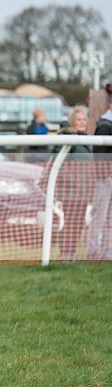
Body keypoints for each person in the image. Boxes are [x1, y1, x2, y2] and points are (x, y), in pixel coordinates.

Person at [50, 108, 94, 262]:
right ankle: (66, 254)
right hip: (71, 191)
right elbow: (58, 164)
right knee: (70, 224)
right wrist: (74, 180)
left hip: (84, 192)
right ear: (72, 122)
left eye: (84, 119)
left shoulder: (87, 141)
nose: (82, 122)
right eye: (79, 119)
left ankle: (71, 253)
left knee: (78, 224)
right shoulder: (69, 140)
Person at [87, 95, 112, 260]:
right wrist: (105, 175)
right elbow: (99, 154)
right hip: (105, 179)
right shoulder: (104, 125)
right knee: (100, 216)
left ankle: (108, 251)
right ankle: (93, 251)